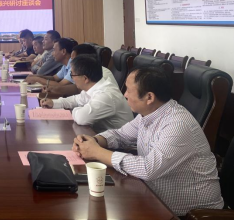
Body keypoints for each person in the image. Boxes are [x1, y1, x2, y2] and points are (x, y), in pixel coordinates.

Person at [72, 67, 224, 217]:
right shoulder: (147, 115)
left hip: (190, 213)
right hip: (153, 196)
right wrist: (94, 141)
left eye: (129, 90)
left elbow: (148, 169)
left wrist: (96, 152)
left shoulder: (178, 124)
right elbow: (120, 135)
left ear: (149, 97)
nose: (125, 94)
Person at [41, 55, 133, 132]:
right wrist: (54, 103)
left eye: (72, 75)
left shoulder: (106, 95)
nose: (72, 79)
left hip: (119, 145)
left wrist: (73, 110)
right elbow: (76, 99)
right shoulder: (94, 87)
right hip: (102, 136)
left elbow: (82, 118)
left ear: (85, 78)